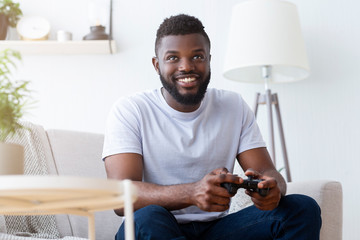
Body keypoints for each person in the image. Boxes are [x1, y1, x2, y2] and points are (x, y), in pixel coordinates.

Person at [102, 14, 322, 240]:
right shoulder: (131, 110)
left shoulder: (233, 106)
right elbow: (120, 197)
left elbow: (268, 172)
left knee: (301, 208)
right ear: (157, 65)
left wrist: (272, 188)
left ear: (209, 60)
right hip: (157, 229)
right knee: (147, 218)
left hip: (216, 231)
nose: (186, 67)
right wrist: (192, 193)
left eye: (197, 56)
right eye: (173, 58)